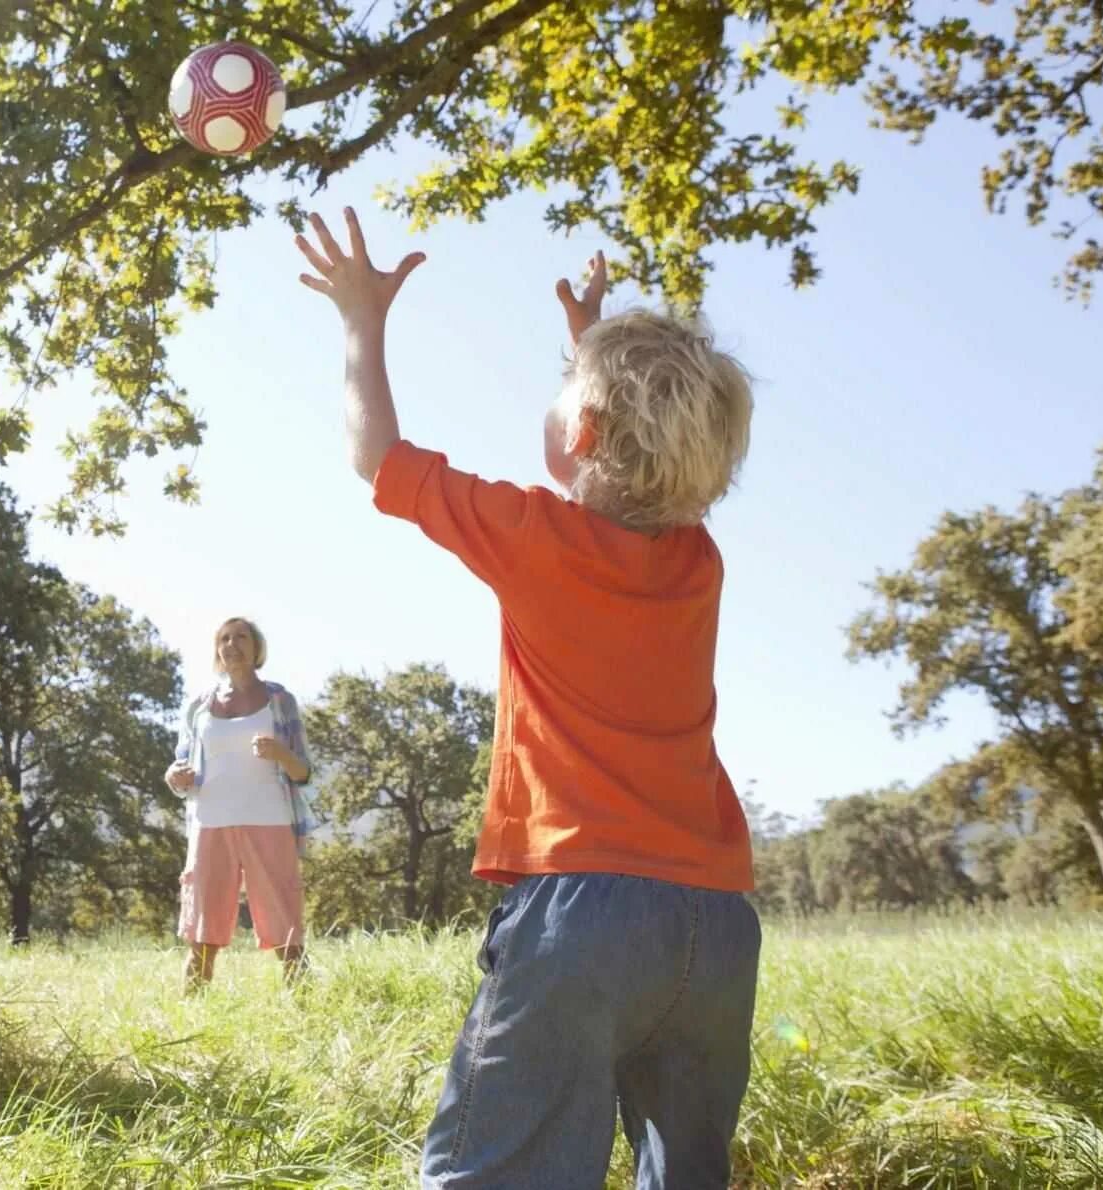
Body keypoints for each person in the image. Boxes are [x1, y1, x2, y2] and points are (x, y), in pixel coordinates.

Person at [296, 208, 759, 1189]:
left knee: (497, 1171)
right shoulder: (698, 562)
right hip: (714, 923)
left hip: (580, 909)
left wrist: (360, 318)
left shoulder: (531, 533)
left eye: (565, 392)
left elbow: (375, 454)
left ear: (579, 428)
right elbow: (640, 458)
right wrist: (588, 343)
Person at [166, 616, 316, 991]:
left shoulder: (279, 701)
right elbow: (179, 766)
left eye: (241, 636)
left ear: (256, 647)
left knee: (286, 925)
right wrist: (175, 777)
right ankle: (190, 1011)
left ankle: (304, 1007)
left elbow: (303, 772)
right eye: (224, 638)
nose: (232, 644)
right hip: (209, 822)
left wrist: (281, 753)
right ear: (217, 649)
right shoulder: (198, 706)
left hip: (270, 819)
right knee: (201, 929)